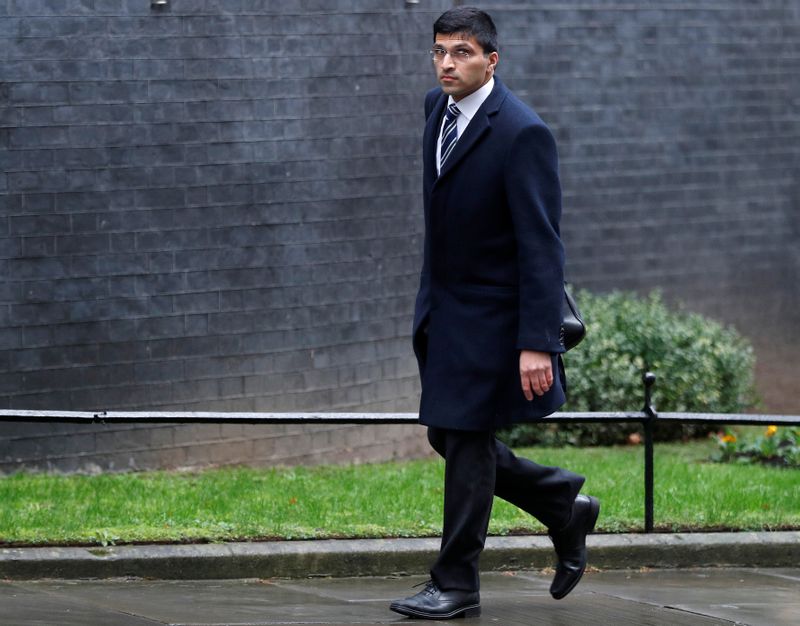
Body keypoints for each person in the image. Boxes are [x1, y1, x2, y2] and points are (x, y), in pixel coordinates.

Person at [389, 7, 599, 620]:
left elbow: (542, 244)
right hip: (446, 313)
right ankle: (562, 502)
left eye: (461, 53)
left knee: (468, 442)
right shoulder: (437, 109)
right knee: (448, 436)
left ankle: (456, 583)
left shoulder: (522, 132)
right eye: (439, 52)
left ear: (491, 60)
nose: (447, 63)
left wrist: (537, 341)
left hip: (495, 320)